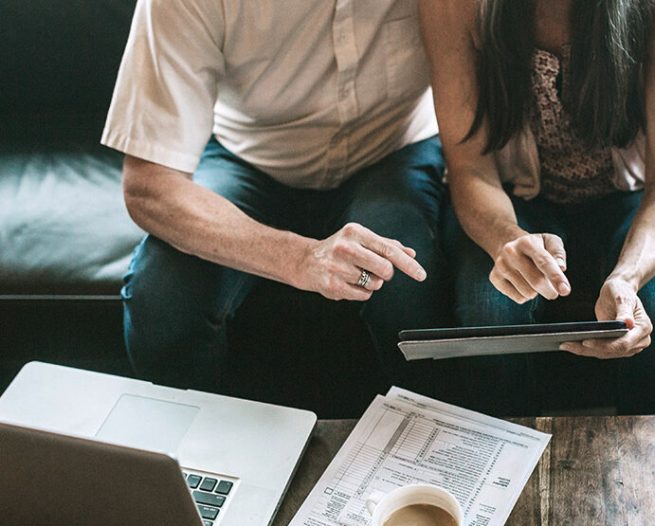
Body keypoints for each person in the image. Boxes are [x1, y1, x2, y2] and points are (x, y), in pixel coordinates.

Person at [102, 0, 453, 398]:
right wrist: (300, 257)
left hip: (392, 149)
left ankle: (430, 455)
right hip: (249, 154)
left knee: (409, 286)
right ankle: (197, 457)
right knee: (165, 299)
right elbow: (150, 186)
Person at [420, 0, 655, 414]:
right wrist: (507, 241)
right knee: (488, 306)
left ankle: (653, 471)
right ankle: (501, 468)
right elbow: (471, 170)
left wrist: (628, 278)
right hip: (513, 198)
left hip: (640, 193)